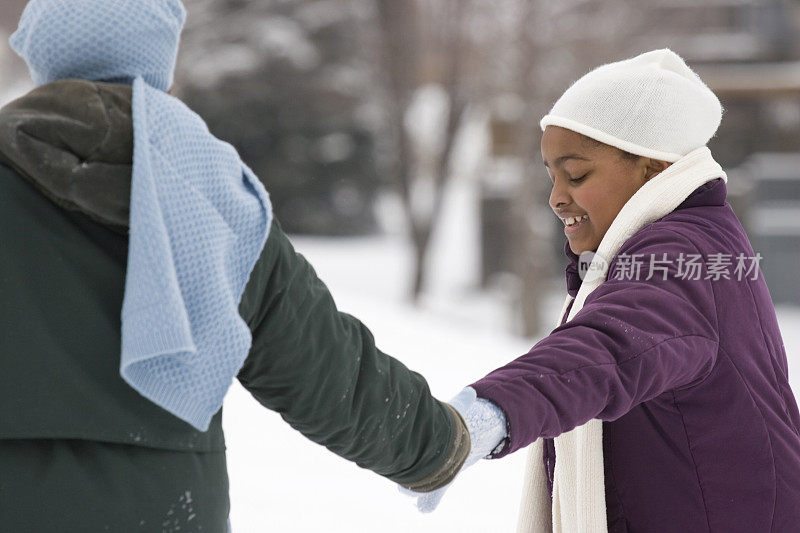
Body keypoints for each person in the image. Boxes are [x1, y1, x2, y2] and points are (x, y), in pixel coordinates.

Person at [0, 1, 490, 530]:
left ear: (42, 53)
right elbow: (320, 363)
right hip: (166, 510)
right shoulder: (207, 185)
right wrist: (436, 447)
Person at [407, 49, 800, 532]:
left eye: (576, 174)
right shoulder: (693, 237)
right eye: (551, 177)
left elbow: (607, 348)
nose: (556, 198)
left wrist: (484, 416)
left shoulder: (682, 255)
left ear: (654, 170)